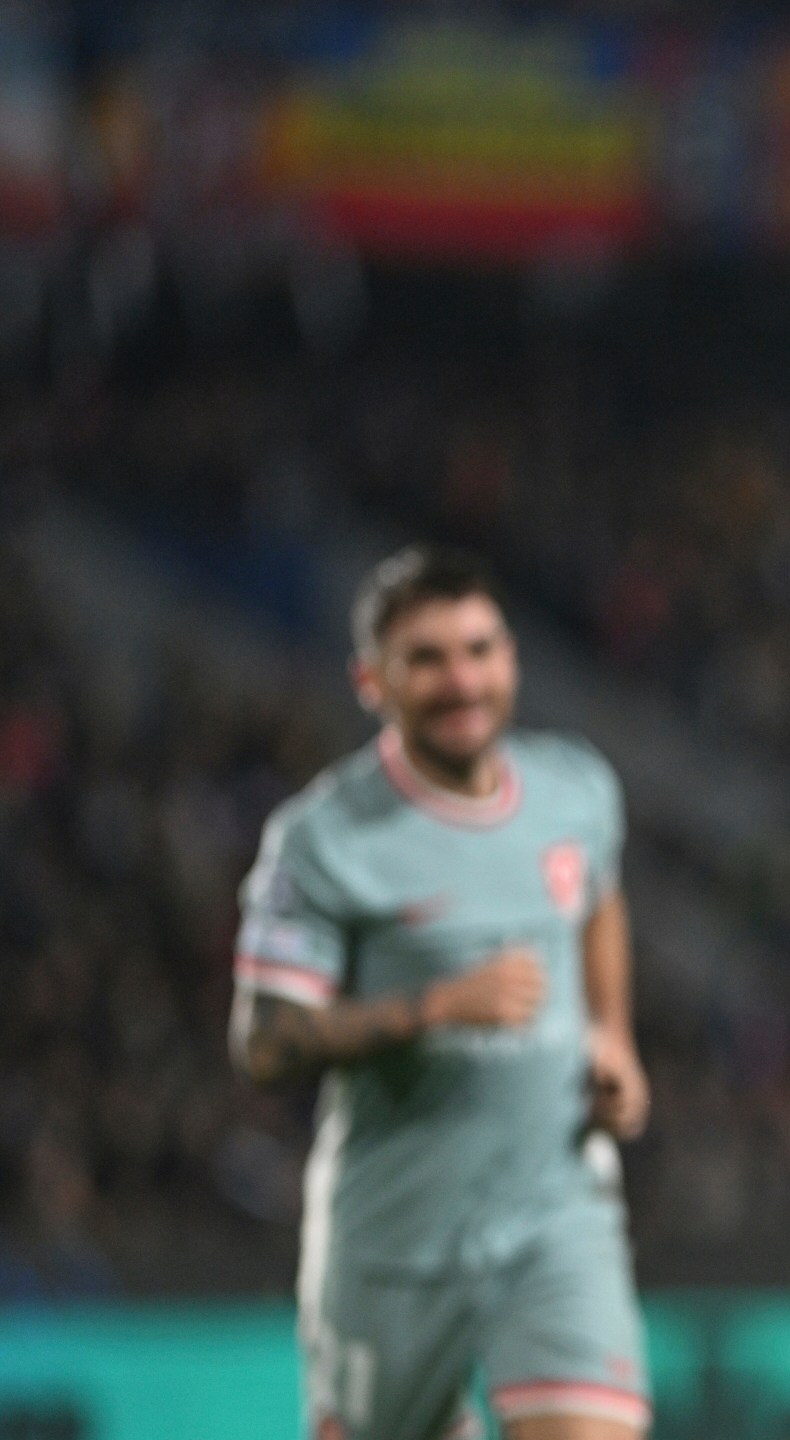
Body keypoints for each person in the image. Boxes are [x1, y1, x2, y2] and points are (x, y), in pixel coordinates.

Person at [230, 547, 653, 1440]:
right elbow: (265, 1042)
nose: (461, 680)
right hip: (395, 1243)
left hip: (555, 1215)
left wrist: (613, 1036)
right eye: (427, 659)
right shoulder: (322, 838)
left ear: (512, 659)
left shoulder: (574, 790)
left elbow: (599, 900)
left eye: (480, 649)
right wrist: (432, 1008)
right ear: (370, 681)